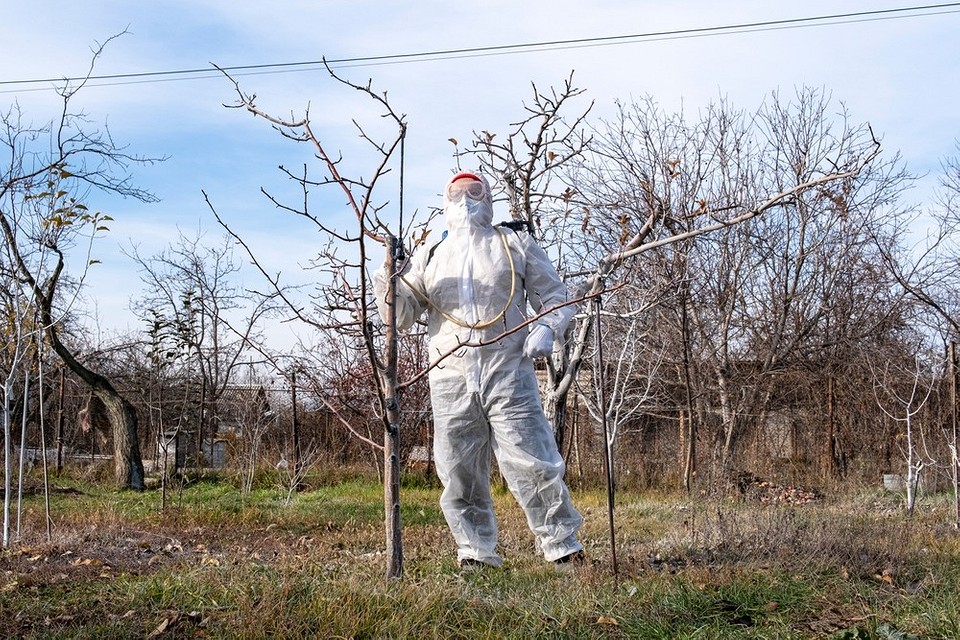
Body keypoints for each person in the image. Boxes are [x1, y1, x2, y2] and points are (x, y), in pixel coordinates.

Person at [374, 171, 584, 570]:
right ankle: (476, 553)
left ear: (489, 198)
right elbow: (399, 317)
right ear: (444, 200)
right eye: (457, 192)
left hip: (508, 368)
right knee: (458, 466)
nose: (467, 199)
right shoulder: (431, 256)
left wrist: (547, 327)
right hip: (449, 373)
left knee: (531, 458)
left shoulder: (513, 243)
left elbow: (555, 295)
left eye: (475, 191)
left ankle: (563, 548)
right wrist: (389, 276)